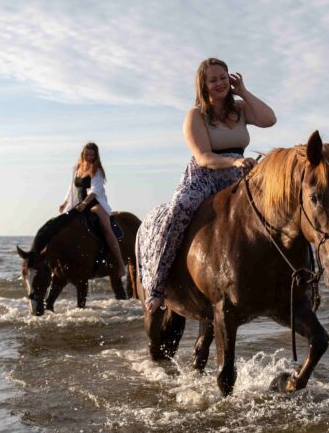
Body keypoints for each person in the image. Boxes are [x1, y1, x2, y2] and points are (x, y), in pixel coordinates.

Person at [138, 57, 277, 312]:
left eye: (223, 78)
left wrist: (244, 92)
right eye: (213, 80)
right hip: (206, 174)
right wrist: (233, 163)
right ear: (203, 84)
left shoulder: (240, 109)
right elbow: (203, 157)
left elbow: (270, 119)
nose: (219, 83)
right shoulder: (196, 115)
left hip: (241, 172)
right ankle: (158, 285)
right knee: (181, 208)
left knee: (279, 201)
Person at [59, 142, 126, 280]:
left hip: (94, 203)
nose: (89, 157)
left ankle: (120, 264)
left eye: (92, 155)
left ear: (96, 156)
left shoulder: (97, 170)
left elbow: (95, 190)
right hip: (78, 204)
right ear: (82, 154)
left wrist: (85, 203)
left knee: (107, 229)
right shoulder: (76, 168)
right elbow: (72, 188)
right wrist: (65, 202)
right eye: (86, 154)